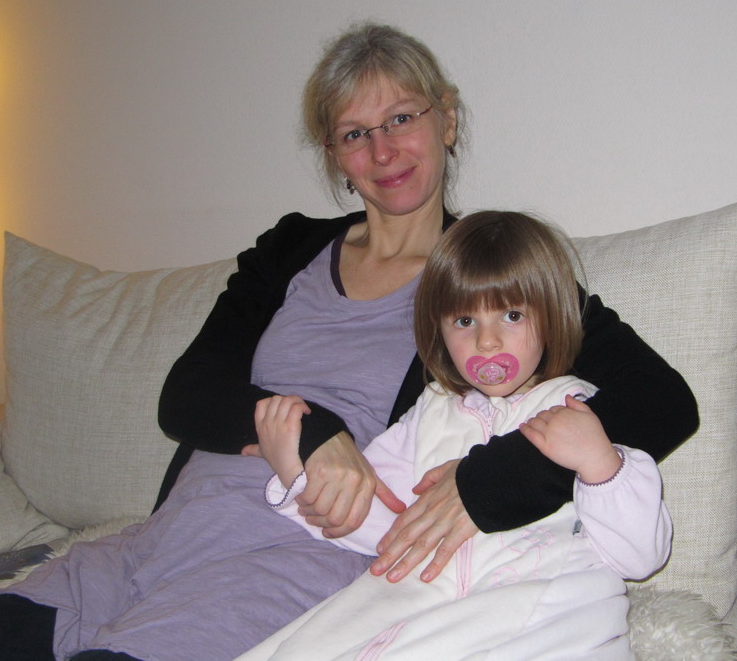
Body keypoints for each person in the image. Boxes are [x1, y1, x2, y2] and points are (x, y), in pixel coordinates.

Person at [0, 23, 697, 661]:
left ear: (446, 119)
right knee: (0, 633)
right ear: (334, 155)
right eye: (355, 133)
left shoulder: (488, 275)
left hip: (299, 556)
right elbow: (186, 396)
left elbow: (661, 400)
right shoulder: (288, 249)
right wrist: (313, 431)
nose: (383, 150)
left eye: (402, 118)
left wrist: (491, 483)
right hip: (163, 536)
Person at [249, 210, 672, 659]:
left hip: (546, 614)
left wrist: (602, 466)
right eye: (465, 321)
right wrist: (296, 470)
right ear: (439, 330)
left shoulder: (579, 411)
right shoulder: (430, 412)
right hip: (431, 607)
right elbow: (382, 521)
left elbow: (639, 558)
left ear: (551, 319)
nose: (487, 341)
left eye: (512, 315)